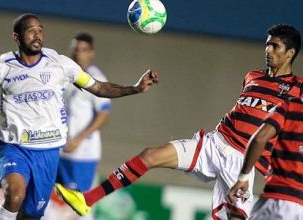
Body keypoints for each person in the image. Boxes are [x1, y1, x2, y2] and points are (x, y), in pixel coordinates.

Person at [55, 24, 303, 220]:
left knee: (236, 217)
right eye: (267, 45)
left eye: (276, 47)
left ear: (290, 53)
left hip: (240, 163)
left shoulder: (297, 89)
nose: (268, 51)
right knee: (150, 155)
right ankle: (86, 200)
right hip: (215, 143)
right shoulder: (253, 77)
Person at [0, 14, 158, 220]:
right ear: (17, 37)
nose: (37, 35)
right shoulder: (2, 67)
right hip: (15, 146)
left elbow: (99, 88)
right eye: (30, 31)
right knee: (14, 195)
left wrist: (135, 88)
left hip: (49, 151)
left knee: (32, 215)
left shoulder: (61, 64)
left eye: (40, 30)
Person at [57, 33, 112, 220]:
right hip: (61, 149)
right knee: (51, 201)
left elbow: (104, 114)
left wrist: (79, 139)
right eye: (75, 49)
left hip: (83, 153)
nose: (78, 54)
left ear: (91, 53)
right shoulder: (65, 75)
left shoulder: (95, 79)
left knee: (79, 204)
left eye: (83, 50)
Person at [227, 98, 303, 219]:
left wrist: (243, 177)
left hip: (280, 200)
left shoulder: (291, 106)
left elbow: (259, 138)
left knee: (235, 214)